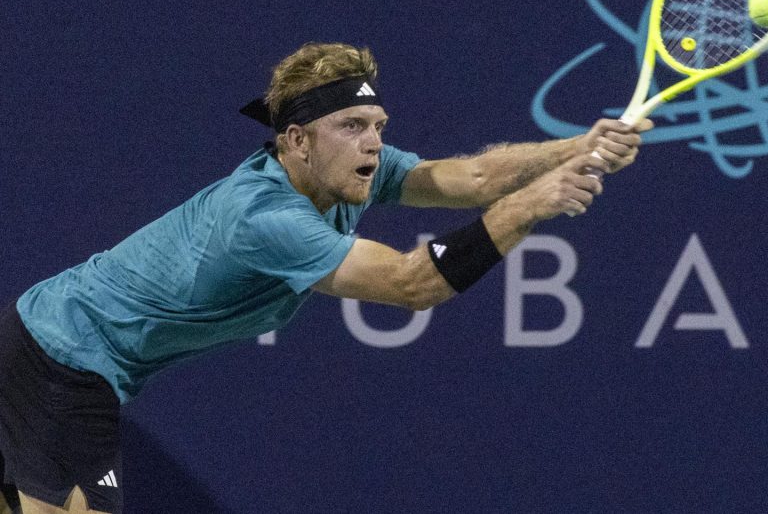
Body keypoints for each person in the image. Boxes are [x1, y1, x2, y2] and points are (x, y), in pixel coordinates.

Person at [0, 42, 652, 514]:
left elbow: (471, 178)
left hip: (66, 348)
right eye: (351, 126)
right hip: (63, 354)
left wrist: (578, 145)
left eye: (377, 127)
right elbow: (409, 283)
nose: (372, 142)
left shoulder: (344, 172)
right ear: (296, 141)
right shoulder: (264, 217)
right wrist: (531, 204)